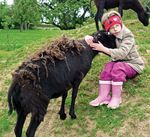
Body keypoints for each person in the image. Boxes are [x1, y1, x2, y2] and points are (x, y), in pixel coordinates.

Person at [85, 10, 144, 109]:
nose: (116, 29)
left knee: (117, 68)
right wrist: (90, 37)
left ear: (120, 23)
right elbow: (101, 34)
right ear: (108, 30)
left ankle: (116, 97)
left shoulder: (127, 35)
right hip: (120, 62)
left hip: (133, 64)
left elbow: (122, 53)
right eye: (112, 28)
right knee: (107, 67)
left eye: (117, 25)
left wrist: (103, 49)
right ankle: (104, 96)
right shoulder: (112, 34)